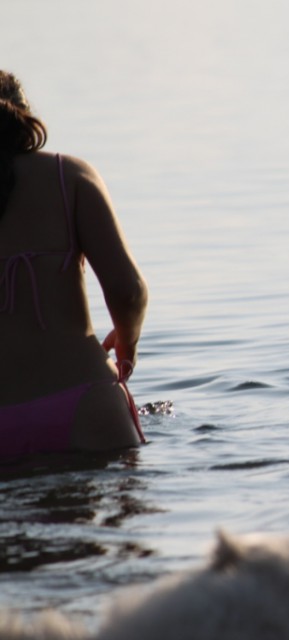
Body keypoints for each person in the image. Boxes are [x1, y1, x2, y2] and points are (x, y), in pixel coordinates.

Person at [0, 71, 148, 455]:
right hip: (84, 405)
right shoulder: (71, 177)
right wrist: (126, 344)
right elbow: (127, 290)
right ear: (23, 115)